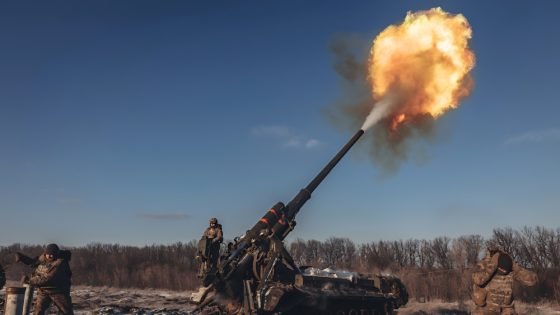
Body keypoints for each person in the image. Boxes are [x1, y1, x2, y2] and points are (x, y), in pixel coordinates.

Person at [471, 248, 537, 315]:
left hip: (505, 309)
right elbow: (478, 280)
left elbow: (532, 280)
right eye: (501, 270)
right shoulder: (485, 265)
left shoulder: (511, 268)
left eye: (505, 271)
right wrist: (491, 267)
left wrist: (517, 269)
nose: (503, 272)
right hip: (485, 309)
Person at [16, 243, 74, 315]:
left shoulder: (60, 263)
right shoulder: (44, 257)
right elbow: (34, 262)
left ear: (56, 254)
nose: (49, 256)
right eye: (47, 254)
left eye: (51, 254)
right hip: (44, 290)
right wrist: (22, 258)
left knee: (66, 312)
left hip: (59, 291)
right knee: (38, 311)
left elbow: (47, 278)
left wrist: (29, 281)